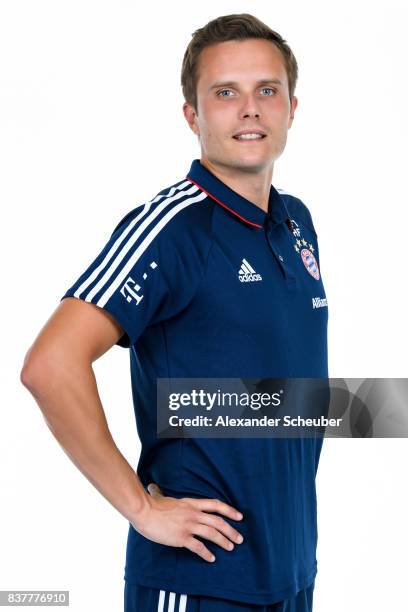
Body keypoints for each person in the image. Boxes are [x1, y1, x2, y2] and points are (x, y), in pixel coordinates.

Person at [20, 13, 328, 612]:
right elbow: (49, 366)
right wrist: (141, 508)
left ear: (292, 108)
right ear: (192, 115)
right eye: (224, 93)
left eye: (267, 90)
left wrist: (376, 407)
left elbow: (283, 396)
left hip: (291, 570)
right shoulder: (173, 228)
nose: (249, 109)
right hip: (200, 579)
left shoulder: (297, 223)